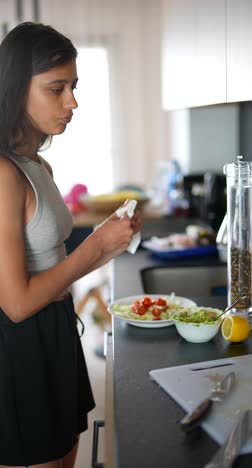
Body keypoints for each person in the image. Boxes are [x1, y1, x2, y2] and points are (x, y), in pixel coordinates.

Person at [0, 22, 141, 468]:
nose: (72, 102)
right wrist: (95, 249)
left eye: (73, 86)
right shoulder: (3, 175)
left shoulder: (37, 164)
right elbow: (16, 303)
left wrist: (106, 237)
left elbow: (51, 250)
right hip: (20, 347)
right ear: (16, 88)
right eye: (56, 88)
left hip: (58, 330)